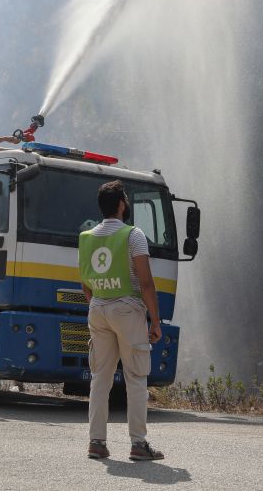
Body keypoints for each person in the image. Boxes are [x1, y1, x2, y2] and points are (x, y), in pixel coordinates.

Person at [78, 180, 165, 461]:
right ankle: (138, 444)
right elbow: (146, 282)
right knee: (136, 377)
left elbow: (85, 284)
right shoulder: (133, 235)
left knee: (100, 378)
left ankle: (97, 442)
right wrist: (155, 320)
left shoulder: (87, 236)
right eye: (125, 199)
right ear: (121, 205)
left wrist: (99, 307)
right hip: (127, 308)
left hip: (98, 306)